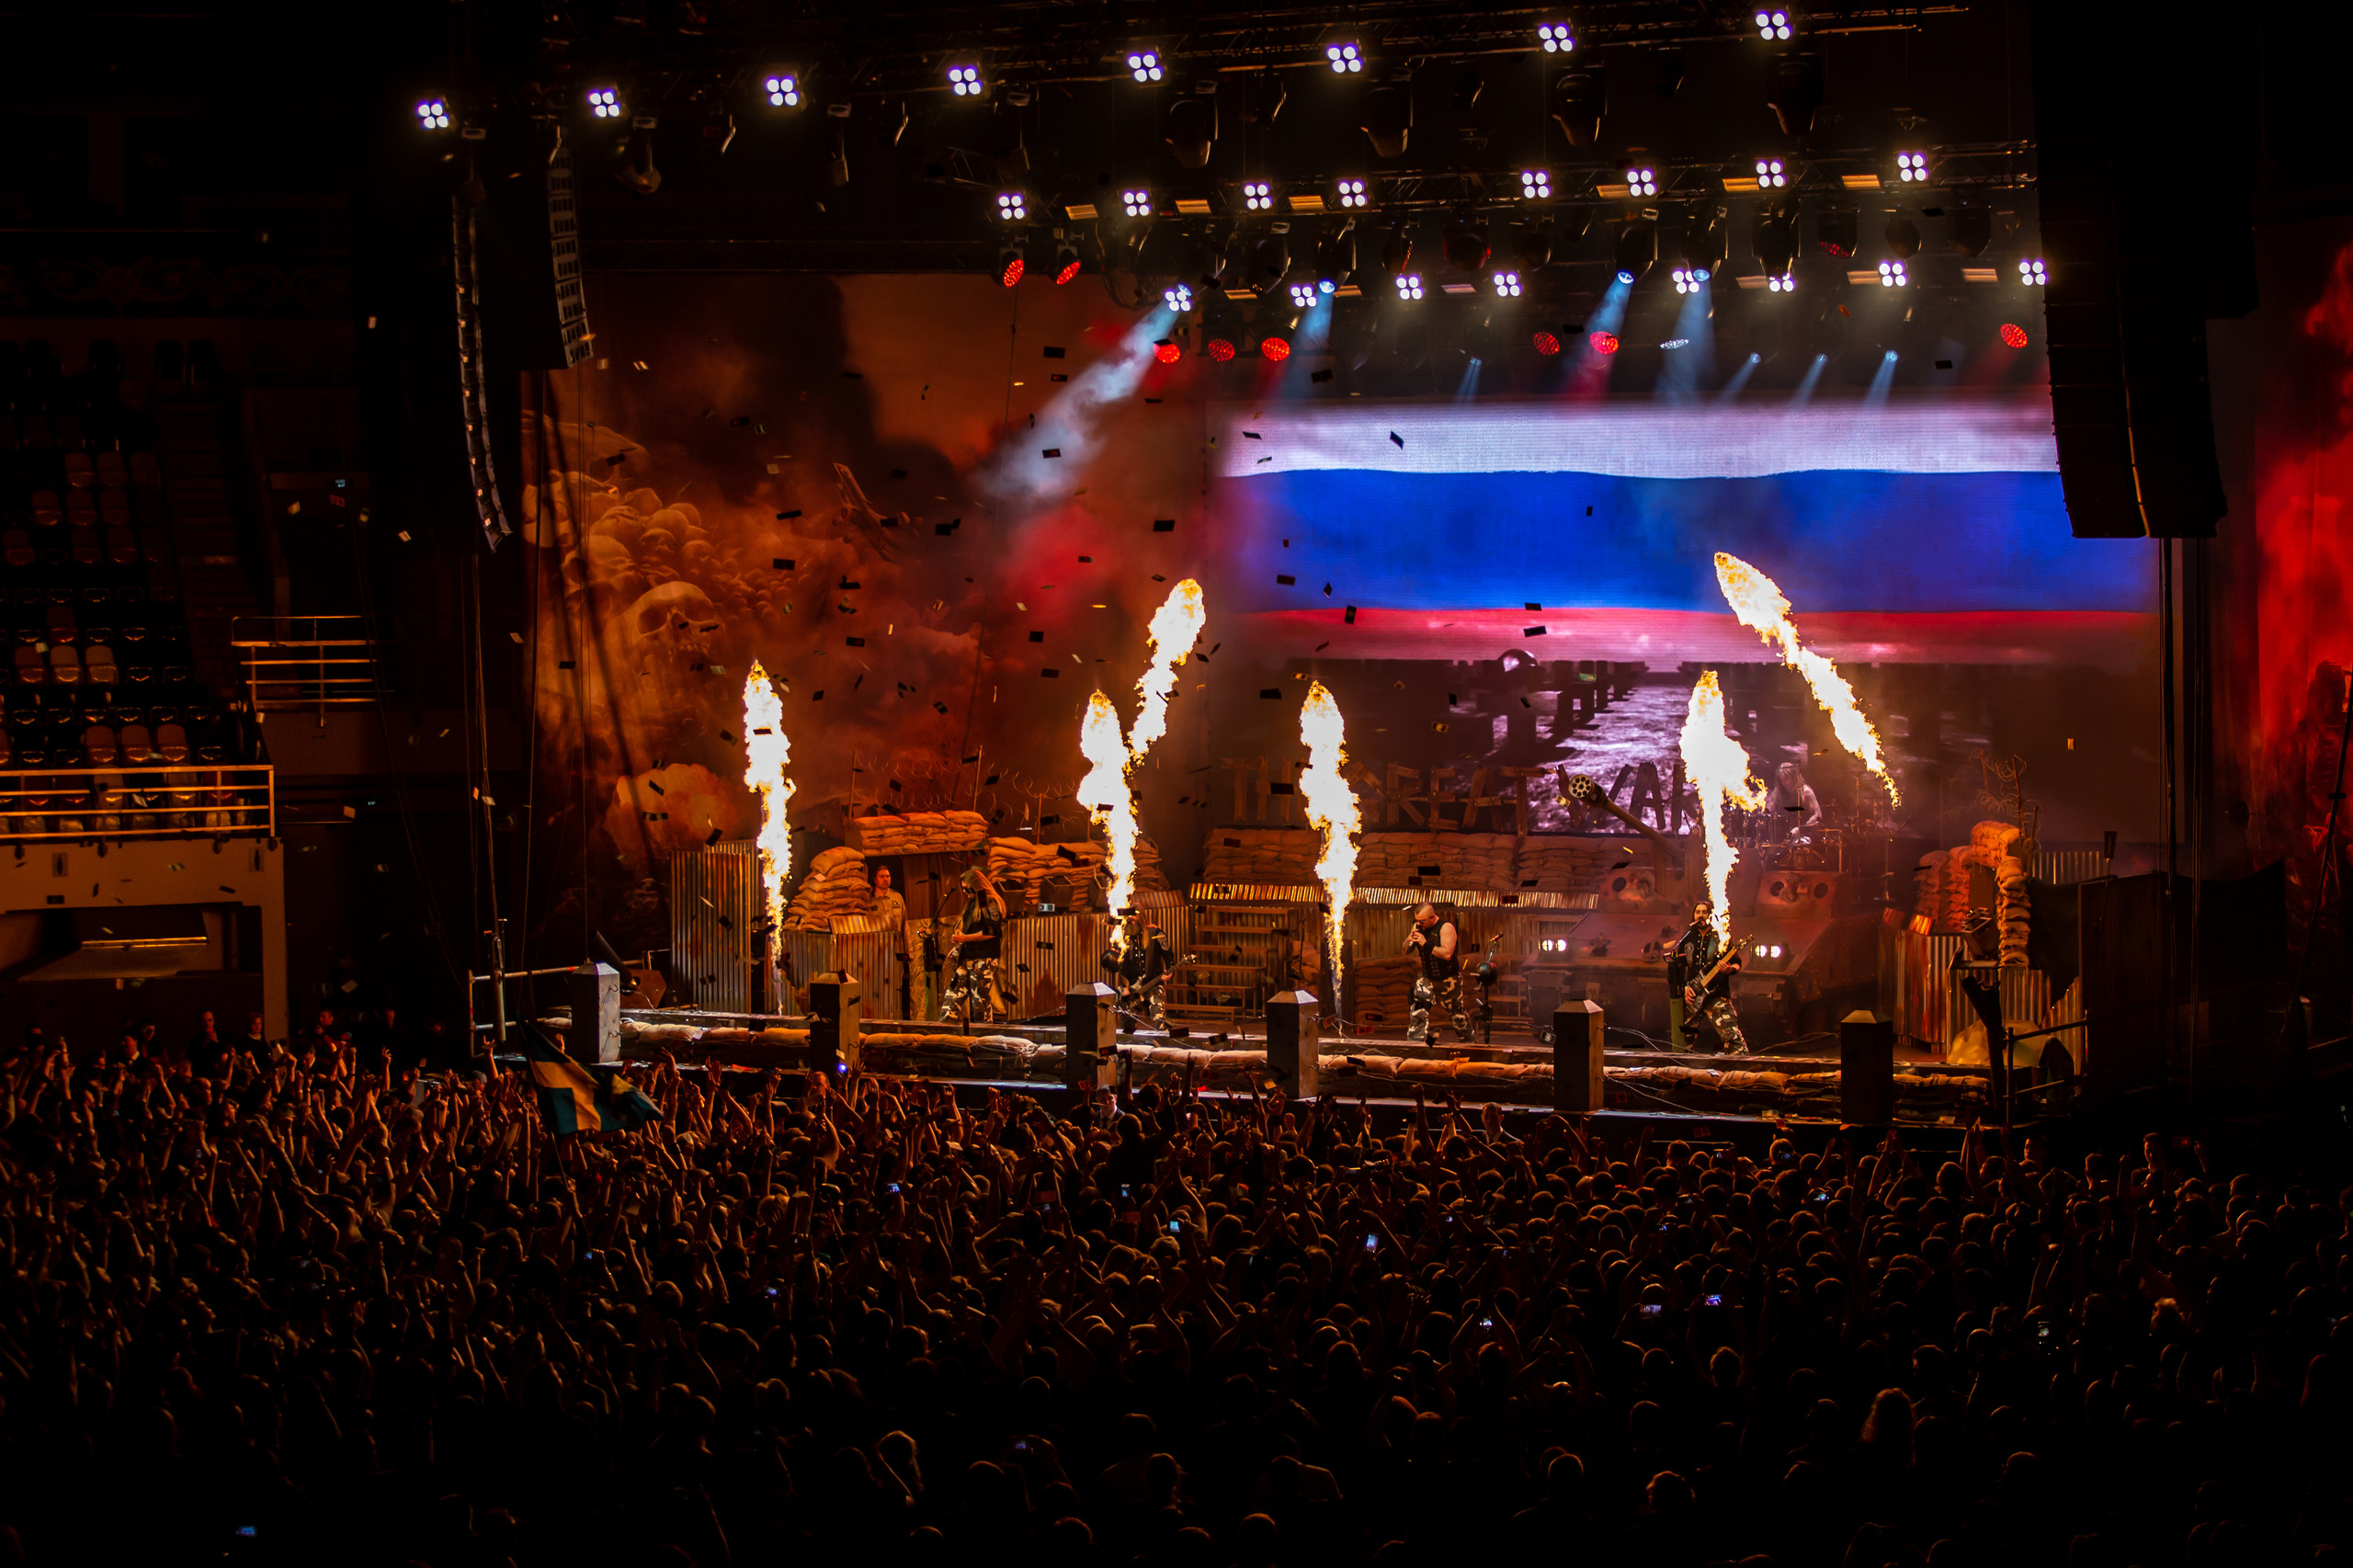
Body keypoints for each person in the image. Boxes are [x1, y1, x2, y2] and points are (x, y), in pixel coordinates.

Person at [1672, 900, 1747, 1055]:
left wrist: (1729, 970)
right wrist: (1685, 987)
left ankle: (1742, 1070)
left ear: (1710, 915)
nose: (1701, 915)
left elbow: (1737, 963)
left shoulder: (1721, 936)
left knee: (1732, 1038)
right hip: (1692, 996)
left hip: (1716, 995)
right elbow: (1679, 967)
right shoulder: (1688, 937)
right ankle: (1681, 1070)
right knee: (1683, 1040)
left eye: (1704, 912)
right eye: (1698, 912)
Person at [943, 866, 1007, 1026]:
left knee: (980, 1004)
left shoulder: (988, 901)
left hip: (982, 960)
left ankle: (984, 1036)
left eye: (967, 888)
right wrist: (958, 946)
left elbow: (992, 931)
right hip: (966, 959)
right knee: (951, 997)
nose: (964, 891)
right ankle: (945, 1031)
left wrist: (965, 938)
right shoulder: (972, 903)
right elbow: (970, 927)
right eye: (962, 888)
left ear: (976, 884)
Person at [1101, 911, 1177, 1029]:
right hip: (1133, 986)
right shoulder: (1124, 938)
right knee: (1127, 1017)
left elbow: (1168, 955)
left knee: (1159, 1017)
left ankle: (1163, 1039)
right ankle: (1127, 1039)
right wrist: (1125, 987)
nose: (1131, 922)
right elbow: (1123, 965)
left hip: (1153, 984)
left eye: (1133, 919)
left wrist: (1170, 971)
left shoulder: (1156, 933)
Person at [1405, 902, 1469, 1043]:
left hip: (1448, 980)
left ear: (1432, 918)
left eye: (1422, 921)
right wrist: (1410, 939)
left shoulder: (1446, 928)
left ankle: (1470, 1045)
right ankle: (1415, 1045)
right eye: (1417, 921)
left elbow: (1447, 954)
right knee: (1418, 1012)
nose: (1419, 924)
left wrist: (1425, 943)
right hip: (1427, 980)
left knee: (1458, 1018)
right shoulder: (1418, 927)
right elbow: (1405, 950)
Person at [870, 866, 912, 1018]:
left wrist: (908, 951)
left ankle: (895, 1020)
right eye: (882, 876)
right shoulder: (868, 900)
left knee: (895, 987)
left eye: (888, 876)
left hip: (896, 952)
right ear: (874, 879)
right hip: (875, 953)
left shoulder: (897, 898)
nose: (886, 879)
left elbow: (905, 926)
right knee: (877, 987)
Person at [1771, 761, 1822, 837]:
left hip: (1803, 835)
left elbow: (1817, 815)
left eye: (1786, 779)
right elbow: (1771, 813)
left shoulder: (1806, 792)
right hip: (1781, 836)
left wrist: (1800, 829)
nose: (1784, 783)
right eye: (1782, 780)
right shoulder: (1777, 792)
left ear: (1794, 777)